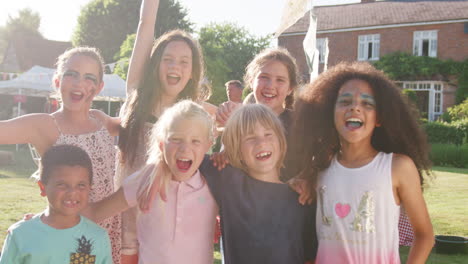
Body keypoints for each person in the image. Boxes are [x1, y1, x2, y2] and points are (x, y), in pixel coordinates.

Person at [292, 62, 434, 263]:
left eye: (367, 103)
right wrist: (298, 183)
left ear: (379, 118)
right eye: (345, 101)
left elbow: (424, 236)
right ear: (330, 113)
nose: (355, 107)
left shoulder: (397, 167)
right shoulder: (320, 168)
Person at [115, 1, 216, 262]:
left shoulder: (196, 113)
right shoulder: (137, 95)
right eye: (168, 59)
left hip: (164, 222)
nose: (175, 67)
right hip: (126, 216)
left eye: (184, 61)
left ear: (193, 71)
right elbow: (145, 25)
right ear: (156, 63)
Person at [0, 46, 121, 264]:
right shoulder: (44, 125)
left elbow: (138, 124)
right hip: (69, 237)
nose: (79, 83)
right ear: (57, 81)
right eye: (71, 74)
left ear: (99, 87)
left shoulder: (101, 120)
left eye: (89, 77)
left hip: (109, 233)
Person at [83, 100, 218, 264]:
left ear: (208, 145)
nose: (185, 149)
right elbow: (96, 212)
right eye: (176, 139)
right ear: (161, 144)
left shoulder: (215, 184)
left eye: (195, 141)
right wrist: (53, 218)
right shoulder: (146, 180)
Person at [0, 145, 112, 264]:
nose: (73, 192)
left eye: (81, 185)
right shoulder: (20, 234)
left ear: (90, 188)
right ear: (43, 188)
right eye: (62, 185)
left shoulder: (98, 237)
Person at [213, 47, 300, 180]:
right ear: (251, 81)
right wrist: (222, 157)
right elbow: (228, 161)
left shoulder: (300, 125)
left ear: (290, 89)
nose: (270, 85)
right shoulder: (239, 122)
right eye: (264, 77)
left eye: (280, 80)